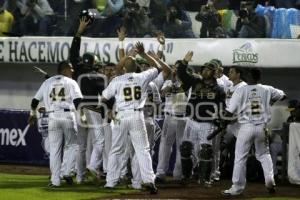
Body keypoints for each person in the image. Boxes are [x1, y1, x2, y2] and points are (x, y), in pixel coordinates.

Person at [102, 42, 170, 194]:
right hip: (137, 115)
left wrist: (108, 111)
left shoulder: (117, 80)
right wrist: (143, 53)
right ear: (136, 66)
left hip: (120, 116)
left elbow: (104, 98)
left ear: (125, 68)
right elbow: (158, 67)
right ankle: (149, 180)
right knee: (143, 150)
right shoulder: (143, 77)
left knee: (116, 150)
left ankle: (110, 182)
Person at [222, 68, 286, 196]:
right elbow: (283, 95)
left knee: (240, 157)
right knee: (264, 155)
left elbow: (229, 112)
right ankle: (270, 180)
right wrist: (270, 101)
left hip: (246, 127)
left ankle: (237, 188)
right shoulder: (267, 89)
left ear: (249, 77)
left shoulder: (240, 89)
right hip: (262, 127)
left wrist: (224, 121)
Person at [28, 61, 83, 187]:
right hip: (67, 116)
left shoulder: (47, 82)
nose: (73, 70)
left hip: (52, 116)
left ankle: (55, 181)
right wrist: (83, 116)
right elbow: (78, 101)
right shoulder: (71, 82)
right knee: (72, 145)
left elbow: (35, 100)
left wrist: (32, 113)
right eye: (71, 68)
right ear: (64, 69)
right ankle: (67, 172)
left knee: (55, 150)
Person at [176, 52, 226, 186]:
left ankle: (205, 178)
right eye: (204, 69)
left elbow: (221, 107)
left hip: (207, 123)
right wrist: (184, 61)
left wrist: (222, 119)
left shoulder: (219, 89)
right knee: (185, 148)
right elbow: (182, 74)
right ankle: (187, 176)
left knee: (206, 151)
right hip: (191, 121)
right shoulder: (195, 82)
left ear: (214, 73)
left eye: (208, 69)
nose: (205, 71)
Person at [69, 16, 108, 184]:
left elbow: (73, 53)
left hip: (78, 110)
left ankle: (80, 177)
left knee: (80, 145)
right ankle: (92, 166)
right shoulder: (99, 77)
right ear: (94, 63)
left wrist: (79, 31)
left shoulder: (77, 70)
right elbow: (106, 97)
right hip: (93, 110)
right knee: (100, 141)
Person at [155, 62, 188, 183]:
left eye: (178, 68)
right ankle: (160, 173)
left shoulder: (187, 82)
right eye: (174, 67)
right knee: (165, 145)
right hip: (169, 117)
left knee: (181, 147)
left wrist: (177, 82)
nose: (175, 69)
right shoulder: (168, 82)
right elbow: (164, 93)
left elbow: (184, 91)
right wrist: (173, 81)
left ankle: (178, 174)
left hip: (183, 118)